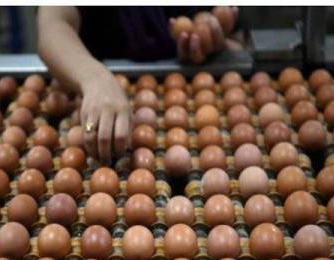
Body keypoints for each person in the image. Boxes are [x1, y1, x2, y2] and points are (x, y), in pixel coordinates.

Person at [38, 6, 239, 165]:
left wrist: (206, 31)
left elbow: (206, 14)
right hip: (91, 76)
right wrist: (94, 78)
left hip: (185, 80)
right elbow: (53, 24)